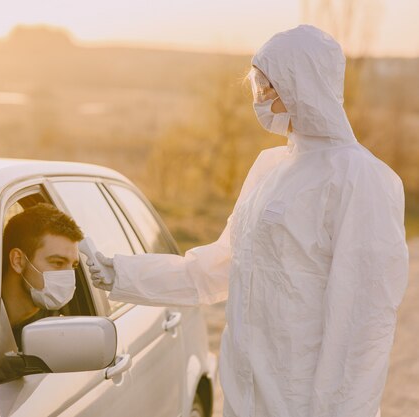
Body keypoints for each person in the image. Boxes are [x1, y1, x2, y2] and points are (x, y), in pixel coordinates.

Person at [89, 25, 408, 417]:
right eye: (257, 84)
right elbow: (217, 270)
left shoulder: (360, 179)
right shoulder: (269, 169)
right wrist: (118, 273)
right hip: (244, 402)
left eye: (268, 85)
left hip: (303, 406)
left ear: (302, 85)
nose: (259, 97)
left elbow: (362, 325)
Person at [1, 203, 83, 349]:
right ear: (18, 261)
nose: (69, 276)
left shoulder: (57, 329)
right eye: (58, 263)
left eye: (73, 266)